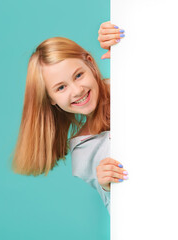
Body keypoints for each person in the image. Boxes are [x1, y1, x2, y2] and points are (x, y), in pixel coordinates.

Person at [11, 21, 127, 210]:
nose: (76, 91)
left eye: (78, 75)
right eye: (61, 87)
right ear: (51, 99)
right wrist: (106, 187)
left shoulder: (125, 82)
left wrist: (128, 48)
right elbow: (120, 214)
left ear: (90, 63)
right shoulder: (84, 151)